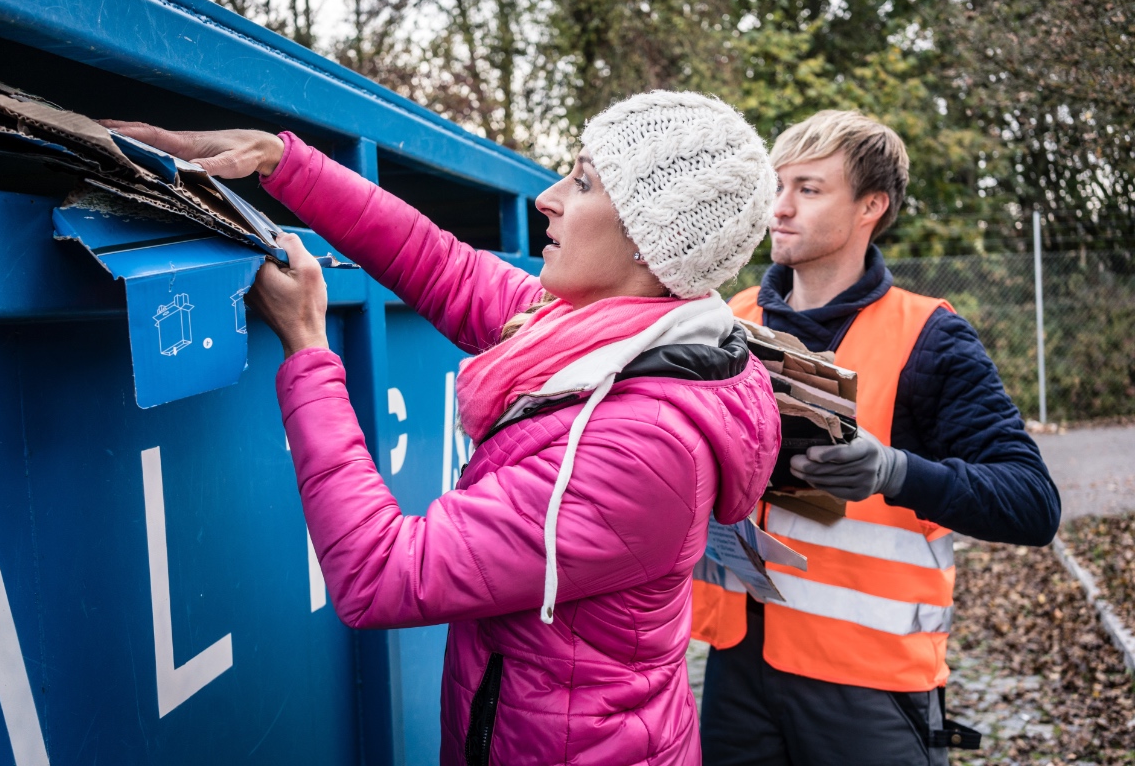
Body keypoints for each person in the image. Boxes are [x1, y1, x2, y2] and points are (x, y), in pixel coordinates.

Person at [108, 91, 782, 765]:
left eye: (582, 182)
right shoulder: (597, 332)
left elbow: (380, 574)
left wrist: (309, 349)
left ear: (646, 238)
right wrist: (282, 162)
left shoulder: (642, 445)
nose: (547, 199)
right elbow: (441, 266)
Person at [692, 109, 1061, 766]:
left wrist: (896, 472)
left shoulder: (932, 338)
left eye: (808, 189)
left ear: (871, 205)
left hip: (871, 688)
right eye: (776, 186)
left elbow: (1033, 503)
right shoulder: (730, 320)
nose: (779, 208)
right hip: (735, 671)